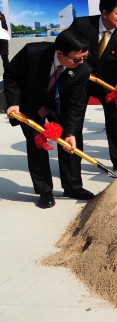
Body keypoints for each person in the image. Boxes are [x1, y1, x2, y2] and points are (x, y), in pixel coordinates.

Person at [4, 30, 93, 208]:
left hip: (59, 107)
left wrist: (70, 132)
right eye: (77, 59)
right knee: (37, 145)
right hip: (30, 106)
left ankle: (73, 186)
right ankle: (45, 191)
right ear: (60, 54)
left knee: (71, 144)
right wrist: (14, 103)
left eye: (84, 57)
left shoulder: (83, 69)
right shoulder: (32, 52)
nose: (81, 62)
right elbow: (11, 76)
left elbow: (76, 104)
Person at [68, 0, 117, 172]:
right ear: (105, 13)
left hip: (111, 84)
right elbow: (65, 46)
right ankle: (73, 163)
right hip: (82, 81)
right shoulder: (82, 25)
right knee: (74, 122)